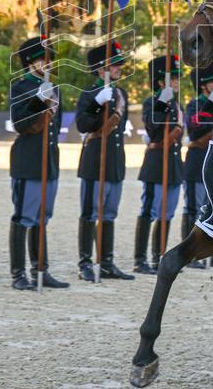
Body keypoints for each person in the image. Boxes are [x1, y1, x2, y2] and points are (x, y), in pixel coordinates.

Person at [7, 36, 68, 290]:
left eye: (49, 58)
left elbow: (56, 126)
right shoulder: (20, 88)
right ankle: (19, 274)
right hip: (29, 160)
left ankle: (41, 269)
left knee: (43, 216)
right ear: (30, 63)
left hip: (49, 160)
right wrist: (37, 101)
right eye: (43, 59)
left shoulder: (55, 88)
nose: (48, 63)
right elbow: (20, 124)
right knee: (25, 216)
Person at [74, 41, 135, 281]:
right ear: (101, 69)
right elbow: (83, 124)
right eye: (115, 64)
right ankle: (85, 264)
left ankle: (107, 263)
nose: (119, 68)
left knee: (109, 214)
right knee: (89, 213)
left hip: (114, 162)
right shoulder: (89, 93)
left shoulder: (121, 94)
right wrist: (96, 103)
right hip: (94, 162)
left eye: (120, 64)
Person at [134, 55, 185, 275]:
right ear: (161, 82)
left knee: (167, 213)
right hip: (156, 165)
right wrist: (162, 103)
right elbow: (153, 128)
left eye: (177, 78)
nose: (177, 82)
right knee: (149, 210)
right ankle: (140, 259)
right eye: (173, 78)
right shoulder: (151, 102)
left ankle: (159, 256)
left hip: (173, 164)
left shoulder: (177, 104)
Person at [182, 64, 213, 269]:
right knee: (193, 208)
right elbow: (194, 130)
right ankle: (187, 252)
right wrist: (211, 106)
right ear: (204, 86)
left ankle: (211, 252)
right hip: (197, 163)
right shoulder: (194, 105)